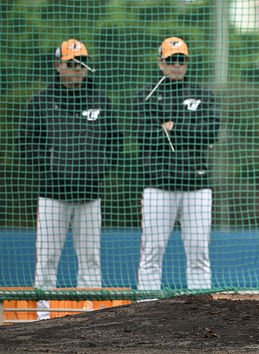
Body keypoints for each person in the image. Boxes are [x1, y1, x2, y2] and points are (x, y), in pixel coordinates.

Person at [17, 39, 123, 319]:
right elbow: (25, 143)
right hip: (52, 195)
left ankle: (89, 318)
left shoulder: (101, 100)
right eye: (71, 64)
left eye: (81, 64)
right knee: (47, 259)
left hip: (90, 195)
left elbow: (116, 143)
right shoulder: (40, 102)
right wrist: (52, 170)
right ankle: (41, 318)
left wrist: (98, 171)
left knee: (90, 259)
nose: (77, 69)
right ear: (58, 66)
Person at [133, 37, 220, 292]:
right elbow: (143, 134)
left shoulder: (202, 94)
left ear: (187, 63)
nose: (176, 65)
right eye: (171, 60)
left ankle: (200, 307)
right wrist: (191, 134)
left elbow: (211, 132)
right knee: (152, 253)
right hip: (158, 186)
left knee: (198, 254)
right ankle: (147, 308)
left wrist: (174, 128)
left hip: (197, 187)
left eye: (181, 60)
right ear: (161, 63)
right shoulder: (145, 96)